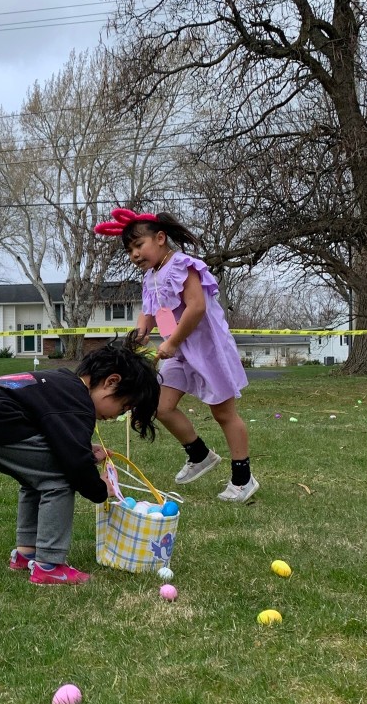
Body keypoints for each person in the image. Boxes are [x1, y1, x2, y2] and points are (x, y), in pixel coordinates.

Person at [0, 334, 159, 585]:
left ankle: (26, 553)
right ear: (111, 382)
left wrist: (83, 449)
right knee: (59, 479)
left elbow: (57, 437)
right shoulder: (78, 402)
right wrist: (99, 488)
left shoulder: (63, 384)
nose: (118, 415)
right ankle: (49, 565)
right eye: (124, 407)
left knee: (35, 478)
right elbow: (74, 464)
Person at [94, 207, 256, 501]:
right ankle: (200, 455)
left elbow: (196, 307)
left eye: (138, 245)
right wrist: (139, 335)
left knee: (223, 413)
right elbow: (149, 313)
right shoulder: (150, 276)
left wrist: (171, 342)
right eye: (129, 250)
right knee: (161, 406)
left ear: (160, 238)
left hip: (207, 350)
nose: (134, 255)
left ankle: (243, 479)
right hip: (178, 353)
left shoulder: (183, 265)